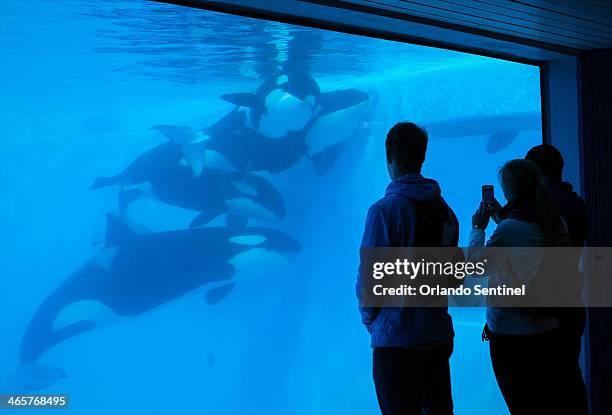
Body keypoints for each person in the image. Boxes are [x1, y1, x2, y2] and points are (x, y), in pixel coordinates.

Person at [357, 122, 459, 415]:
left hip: (396, 343)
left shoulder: (384, 211)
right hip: (436, 337)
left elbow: (370, 280)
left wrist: (372, 321)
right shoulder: (445, 211)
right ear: (422, 157)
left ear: (389, 156)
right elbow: (452, 279)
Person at [470, 159, 577, 414]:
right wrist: (501, 218)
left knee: (521, 406)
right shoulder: (554, 222)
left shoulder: (508, 230)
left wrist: (478, 228)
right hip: (549, 330)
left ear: (509, 191)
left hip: (511, 339)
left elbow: (476, 267)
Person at [525, 144, 588, 415]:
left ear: (537, 174)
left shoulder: (549, 208)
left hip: (551, 308)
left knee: (549, 387)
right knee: (569, 379)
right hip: (572, 302)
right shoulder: (574, 202)